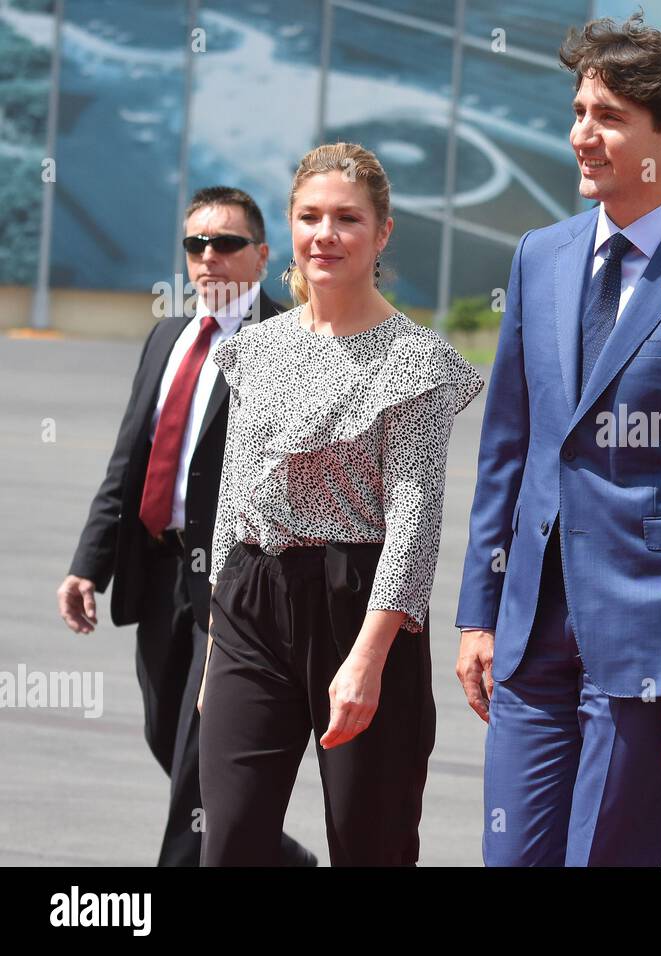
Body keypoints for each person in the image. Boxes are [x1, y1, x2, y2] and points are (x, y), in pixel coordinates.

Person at [455, 13, 661, 867]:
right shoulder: (541, 255)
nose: (581, 136)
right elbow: (510, 448)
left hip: (652, 635)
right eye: (577, 112)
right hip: (531, 627)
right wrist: (478, 612)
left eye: (607, 117)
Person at [197, 143, 483, 866]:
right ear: (290, 228)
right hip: (250, 603)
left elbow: (414, 526)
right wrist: (213, 648)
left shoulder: (415, 361)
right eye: (310, 216)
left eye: (347, 219)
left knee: (371, 845)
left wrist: (367, 660)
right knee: (227, 840)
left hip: (361, 607)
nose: (325, 234)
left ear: (382, 233)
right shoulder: (253, 349)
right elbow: (234, 498)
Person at [58, 187, 313, 866]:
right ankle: (276, 854)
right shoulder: (167, 336)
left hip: (235, 584)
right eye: (196, 244)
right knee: (163, 732)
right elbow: (129, 459)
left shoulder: (286, 345)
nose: (209, 258)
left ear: (261, 256)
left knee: (201, 750)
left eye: (227, 244)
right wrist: (90, 562)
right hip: (158, 569)